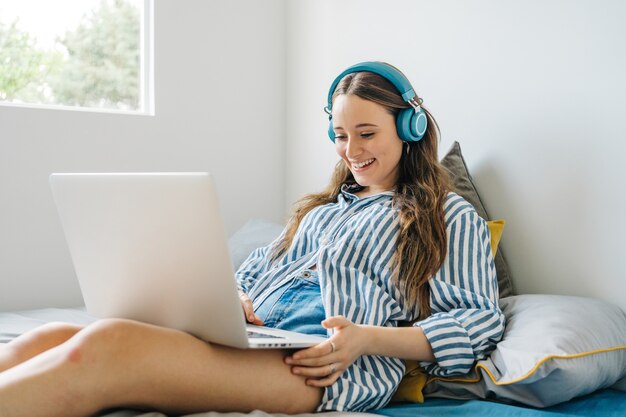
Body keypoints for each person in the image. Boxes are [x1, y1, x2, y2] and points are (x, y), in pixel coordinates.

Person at [0, 61, 505, 416]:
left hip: (323, 364)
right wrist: (233, 299)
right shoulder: (321, 211)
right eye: (339, 134)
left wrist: (365, 339)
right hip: (258, 337)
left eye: (366, 133)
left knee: (110, 346)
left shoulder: (446, 214)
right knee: (47, 338)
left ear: (409, 126)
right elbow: (251, 272)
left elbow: (478, 322)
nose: (350, 149)